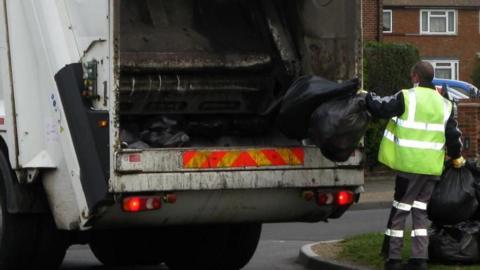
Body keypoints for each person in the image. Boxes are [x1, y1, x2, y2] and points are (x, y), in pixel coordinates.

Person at [365, 61, 464, 270]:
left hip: (409, 167)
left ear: (416, 77)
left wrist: (365, 96)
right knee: (420, 212)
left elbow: (381, 108)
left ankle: (393, 260)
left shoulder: (407, 97)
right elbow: (453, 136)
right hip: (431, 169)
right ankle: (420, 260)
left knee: (400, 211)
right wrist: (456, 158)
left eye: (412, 76)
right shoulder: (445, 104)